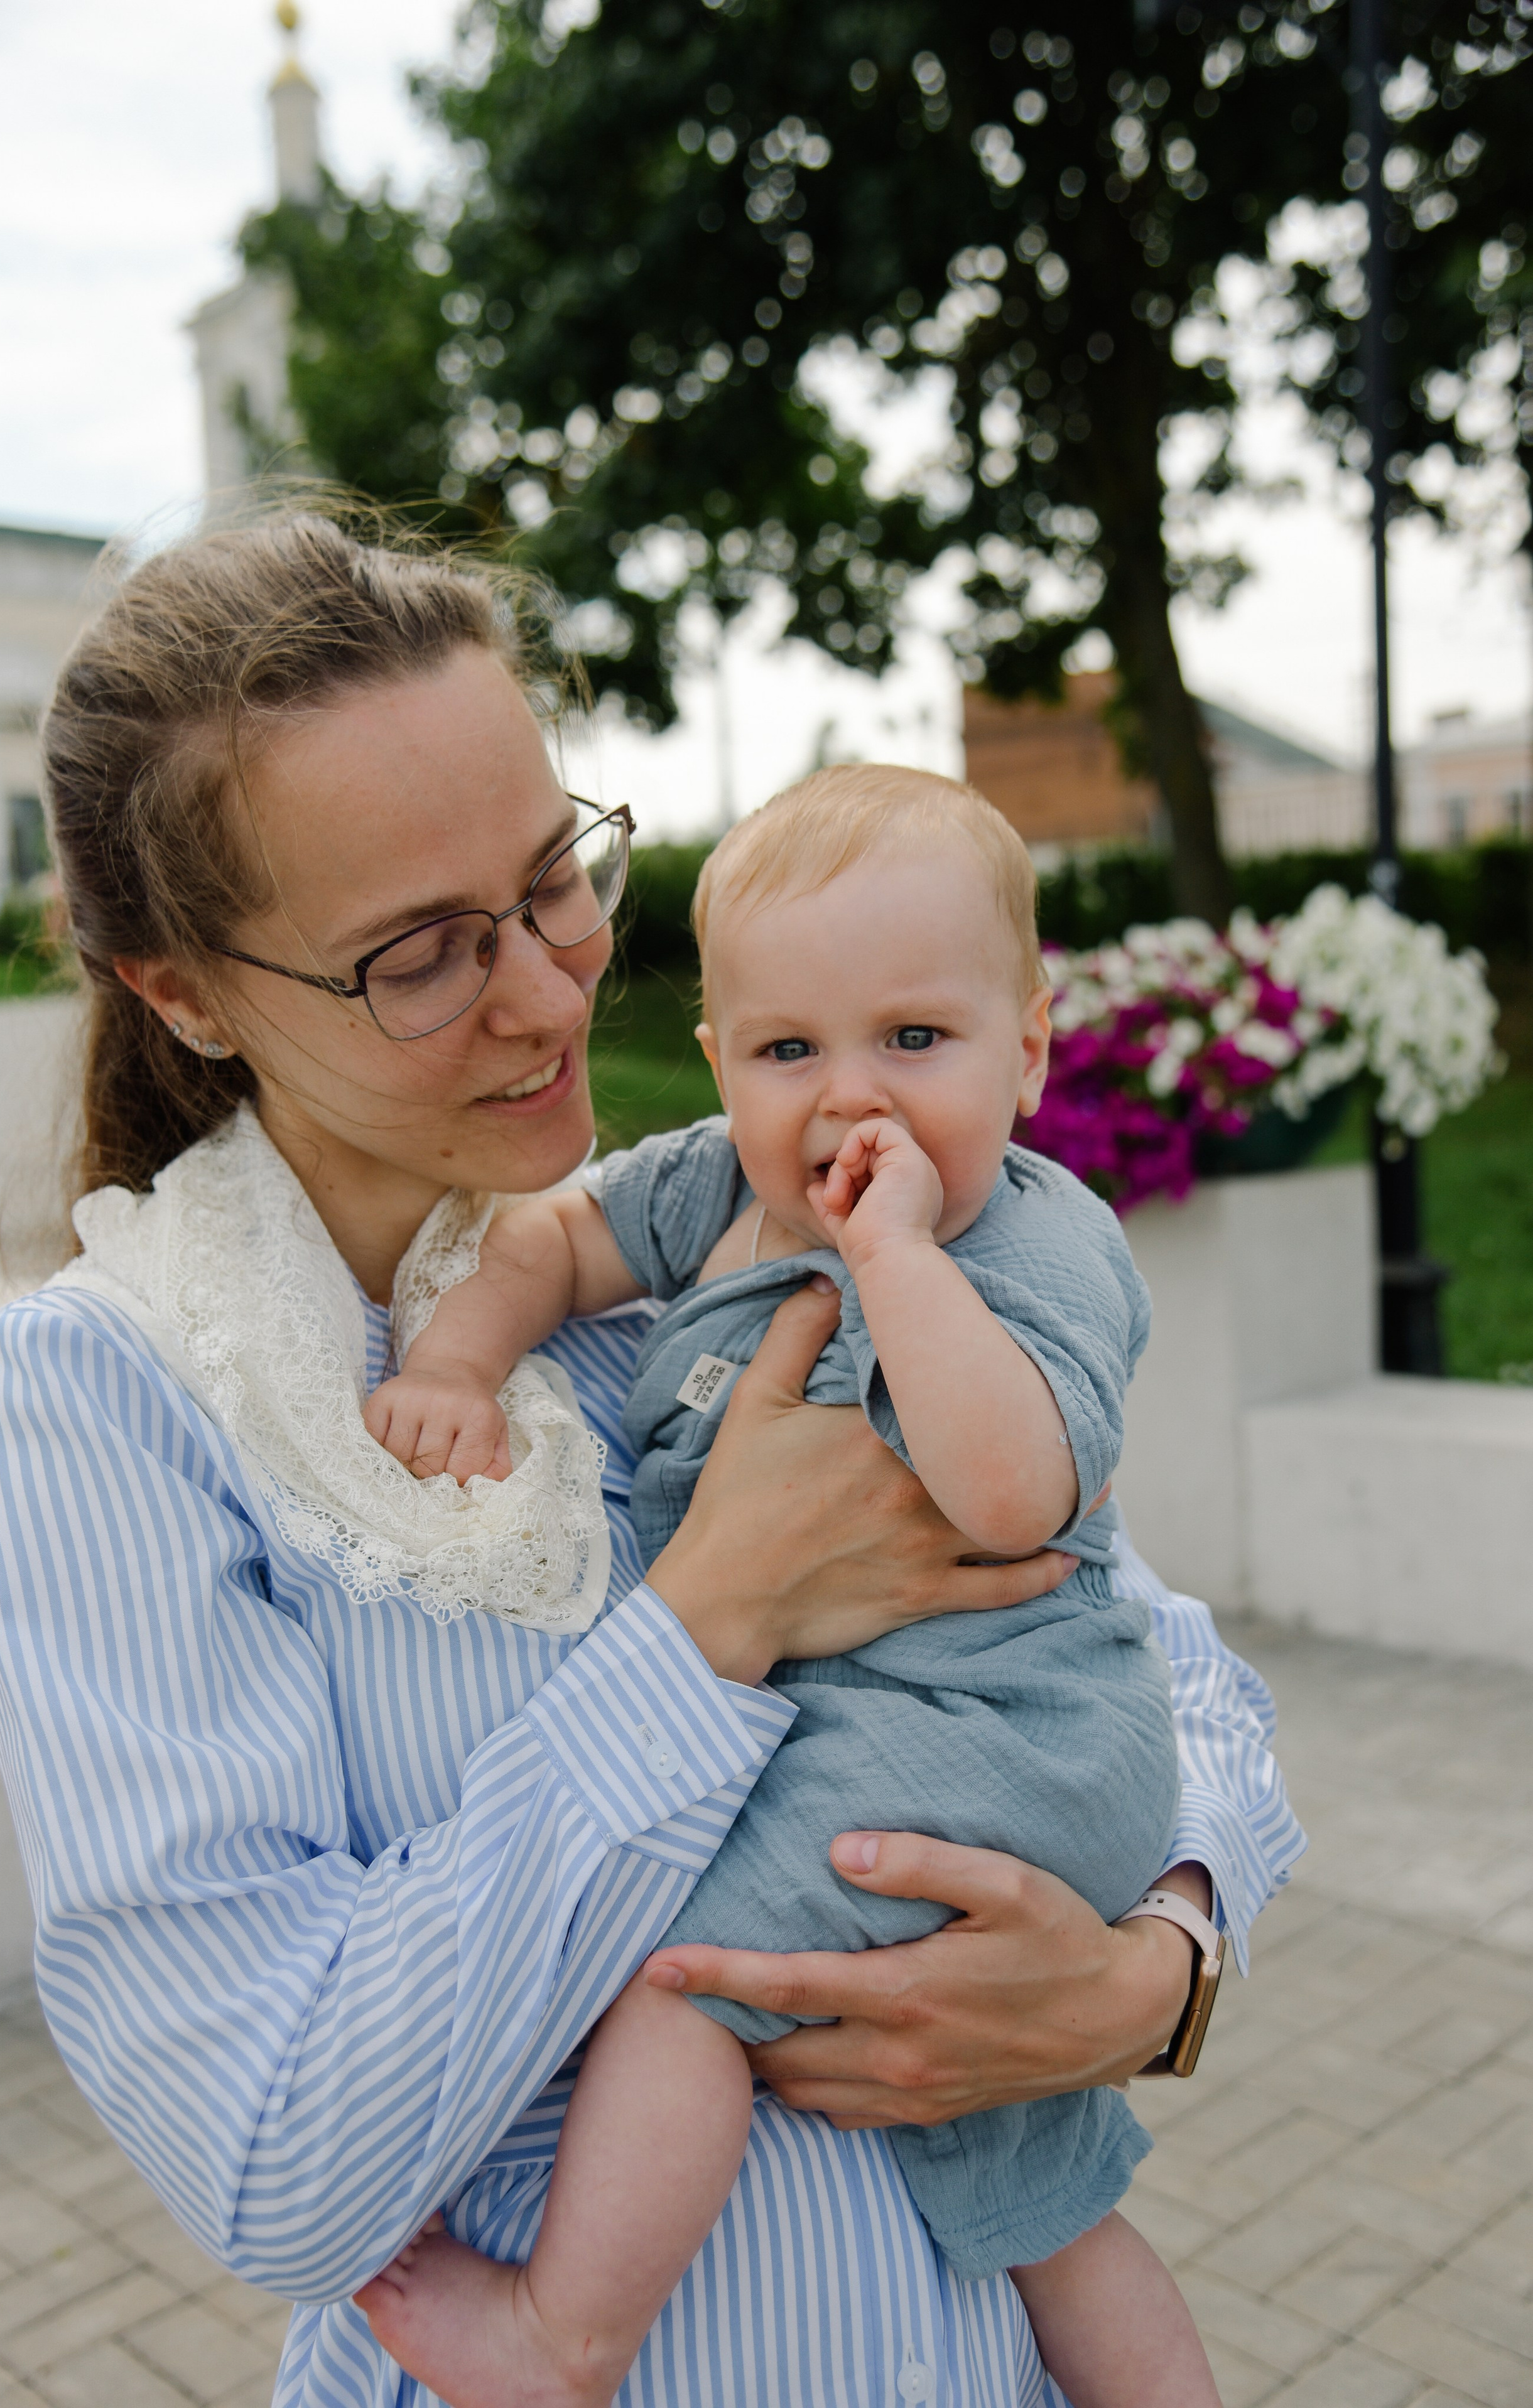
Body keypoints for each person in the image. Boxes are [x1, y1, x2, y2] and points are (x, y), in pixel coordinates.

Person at [0, 514, 1303, 2408]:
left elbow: (1158, 1656)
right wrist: (715, 1610)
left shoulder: (728, 1236)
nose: (555, 990)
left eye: (558, 877)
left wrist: (1155, 1965)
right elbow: (278, 2158)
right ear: (186, 990)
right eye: (423, 956)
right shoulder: (98, 1406)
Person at [357, 764, 1216, 2408]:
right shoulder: (721, 1193)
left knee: (688, 1967)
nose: (852, 1103)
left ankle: (566, 2334)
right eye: (788, 1050)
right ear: (720, 1066)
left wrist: (896, 1263)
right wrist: (462, 1359)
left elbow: (1014, 1487)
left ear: (1027, 1048)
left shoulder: (1034, 1245)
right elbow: (546, 1241)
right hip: (923, 1734)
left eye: (915, 1039)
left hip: (1001, 1727)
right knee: (1036, 2192)